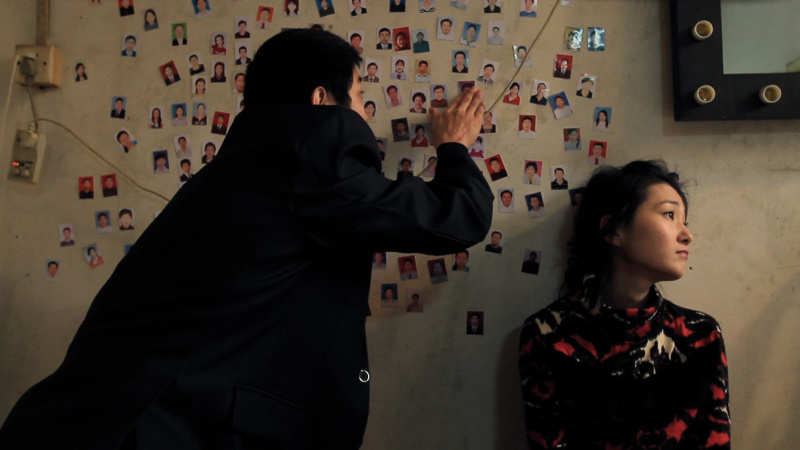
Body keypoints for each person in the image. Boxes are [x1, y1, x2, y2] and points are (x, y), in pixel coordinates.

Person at [0, 30, 492, 449]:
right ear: (321, 100)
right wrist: (453, 146)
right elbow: (454, 219)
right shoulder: (311, 152)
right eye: (361, 96)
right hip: (152, 428)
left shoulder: (250, 161)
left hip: (100, 419)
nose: (366, 115)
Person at [519, 160, 730, 449]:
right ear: (613, 231)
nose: (687, 235)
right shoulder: (548, 334)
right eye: (670, 215)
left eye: (685, 221)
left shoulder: (700, 335)